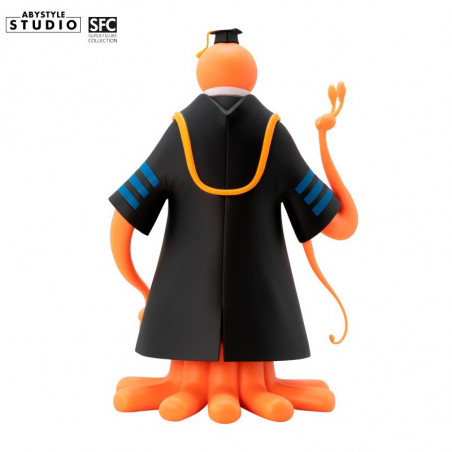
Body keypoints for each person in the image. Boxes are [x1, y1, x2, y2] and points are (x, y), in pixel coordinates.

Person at [109, 29, 358, 423]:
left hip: (181, 299)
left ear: (203, 70)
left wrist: (142, 288)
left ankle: (191, 380)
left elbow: (123, 218)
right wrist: (324, 142)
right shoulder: (274, 135)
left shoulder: (179, 133)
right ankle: (256, 382)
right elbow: (342, 224)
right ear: (249, 73)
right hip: (262, 306)